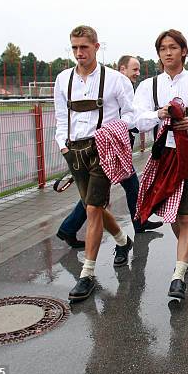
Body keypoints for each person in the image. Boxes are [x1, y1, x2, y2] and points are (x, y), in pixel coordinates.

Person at [133, 29, 188, 300]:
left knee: (186, 215)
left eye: (173, 47)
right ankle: (187, 252)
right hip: (164, 154)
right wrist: (157, 114)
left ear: (184, 51)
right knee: (172, 215)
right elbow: (137, 118)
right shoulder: (149, 86)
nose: (168, 52)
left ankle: (178, 274)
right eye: (163, 48)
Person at [54, 25, 136, 301]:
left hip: (102, 149)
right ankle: (123, 241)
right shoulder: (63, 79)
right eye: (75, 47)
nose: (79, 53)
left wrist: (111, 134)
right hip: (74, 150)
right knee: (95, 206)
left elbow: (131, 116)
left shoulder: (115, 80)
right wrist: (63, 145)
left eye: (84, 47)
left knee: (92, 209)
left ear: (97, 47)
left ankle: (86, 274)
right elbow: (61, 117)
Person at [56, 56, 162, 249]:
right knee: (102, 194)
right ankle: (135, 224)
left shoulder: (120, 85)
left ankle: (70, 229)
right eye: (135, 69)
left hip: (116, 145)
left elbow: (130, 116)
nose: (138, 73)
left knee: (105, 192)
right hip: (108, 147)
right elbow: (130, 117)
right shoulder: (115, 85)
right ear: (122, 69)